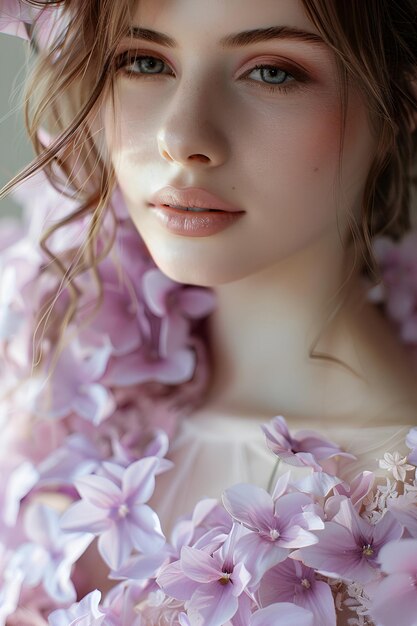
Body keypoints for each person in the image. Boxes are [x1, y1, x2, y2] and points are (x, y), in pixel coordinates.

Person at [0, 0, 417, 624]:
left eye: (272, 71)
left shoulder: (400, 508)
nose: (182, 138)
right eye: (143, 60)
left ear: (401, 102)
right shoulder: (48, 389)